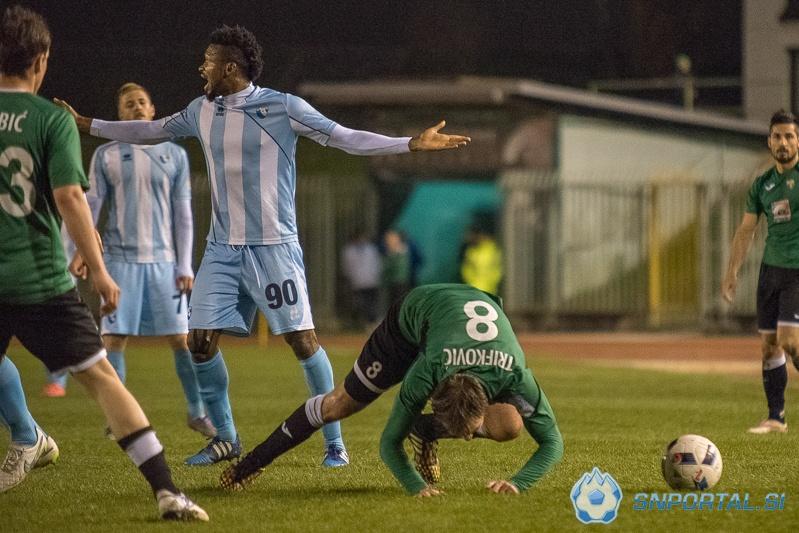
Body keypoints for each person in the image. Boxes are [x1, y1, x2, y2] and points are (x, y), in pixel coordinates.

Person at [56, 25, 470, 467]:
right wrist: (86, 124)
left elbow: (344, 137)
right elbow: (151, 130)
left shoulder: (283, 107)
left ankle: (334, 442)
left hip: (274, 248)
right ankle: (226, 439)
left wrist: (409, 144)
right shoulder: (200, 110)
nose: (201, 67)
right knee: (199, 343)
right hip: (221, 249)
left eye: (209, 61)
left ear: (229, 68)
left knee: (303, 342)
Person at [0, 5, 207, 520]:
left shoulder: (163, 154)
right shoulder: (51, 119)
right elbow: (72, 198)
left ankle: (27, 435)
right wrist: (99, 269)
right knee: (101, 376)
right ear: (41, 60)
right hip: (41, 280)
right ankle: (166, 490)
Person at [219, 284, 563, 497]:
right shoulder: (424, 374)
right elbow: (388, 443)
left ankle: (425, 429)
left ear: (486, 398)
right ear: (432, 396)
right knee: (339, 405)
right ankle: (249, 466)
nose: (469, 440)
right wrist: (417, 487)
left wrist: (518, 483)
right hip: (410, 321)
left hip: (460, 320)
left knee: (509, 426)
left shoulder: (514, 375)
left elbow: (553, 442)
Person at [67, 82, 214, 439]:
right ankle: (117, 416)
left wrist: (184, 264)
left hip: (164, 263)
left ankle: (197, 411)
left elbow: (183, 214)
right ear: (120, 114)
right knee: (114, 339)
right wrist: (83, 250)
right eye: (128, 104)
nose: (135, 107)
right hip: (120, 261)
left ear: (152, 110)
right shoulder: (106, 155)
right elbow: (92, 206)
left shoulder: (174, 154)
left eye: (141, 102)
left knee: (182, 339)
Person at [722, 109, 799, 435]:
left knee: (789, 341)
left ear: (798, 141)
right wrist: (732, 271)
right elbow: (746, 231)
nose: (783, 142)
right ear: (769, 141)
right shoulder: (762, 184)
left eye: (789, 136)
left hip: (797, 272)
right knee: (769, 345)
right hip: (771, 271)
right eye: (777, 136)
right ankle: (775, 418)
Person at [341, 231, 381, 329]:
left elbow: (376, 264)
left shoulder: (371, 249)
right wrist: (349, 278)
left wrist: (376, 276)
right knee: (359, 303)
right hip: (357, 281)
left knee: (371, 302)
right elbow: (347, 267)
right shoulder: (349, 250)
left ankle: (371, 321)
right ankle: (359, 323)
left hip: (371, 280)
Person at [460, 226, 503, 296]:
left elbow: (494, 269)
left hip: (487, 288)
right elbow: (467, 269)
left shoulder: (491, 250)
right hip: (475, 287)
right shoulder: (471, 251)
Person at [382, 229, 411, 305]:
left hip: (398, 281)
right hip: (395, 281)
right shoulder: (396, 251)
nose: (387, 241)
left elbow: (394, 267)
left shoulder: (399, 251)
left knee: (397, 301)